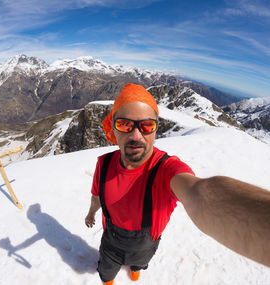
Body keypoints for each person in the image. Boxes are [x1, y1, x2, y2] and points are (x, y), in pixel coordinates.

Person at [84, 83, 270, 285]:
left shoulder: (165, 170)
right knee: (107, 271)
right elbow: (97, 195)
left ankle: (135, 271)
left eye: (147, 126)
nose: (136, 135)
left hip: (145, 248)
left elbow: (200, 194)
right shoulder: (103, 164)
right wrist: (92, 212)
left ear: (156, 129)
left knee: (139, 263)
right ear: (113, 127)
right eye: (124, 125)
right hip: (110, 244)